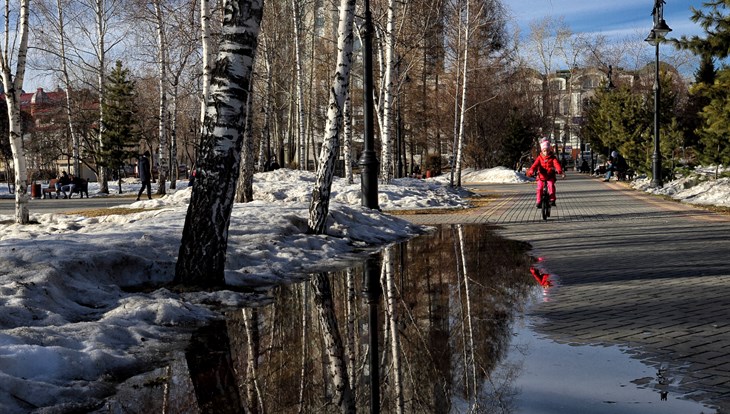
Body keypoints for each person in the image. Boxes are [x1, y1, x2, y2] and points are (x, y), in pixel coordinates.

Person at [526, 139, 565, 208]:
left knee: (551, 185)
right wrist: (531, 170)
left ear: (550, 150)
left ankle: (552, 199)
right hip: (541, 176)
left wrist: (559, 170)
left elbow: (556, 164)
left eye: (547, 150)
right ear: (542, 151)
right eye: (544, 151)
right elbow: (534, 165)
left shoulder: (553, 158)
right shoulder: (539, 158)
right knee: (539, 188)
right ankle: (538, 201)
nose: (546, 152)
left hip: (550, 176)